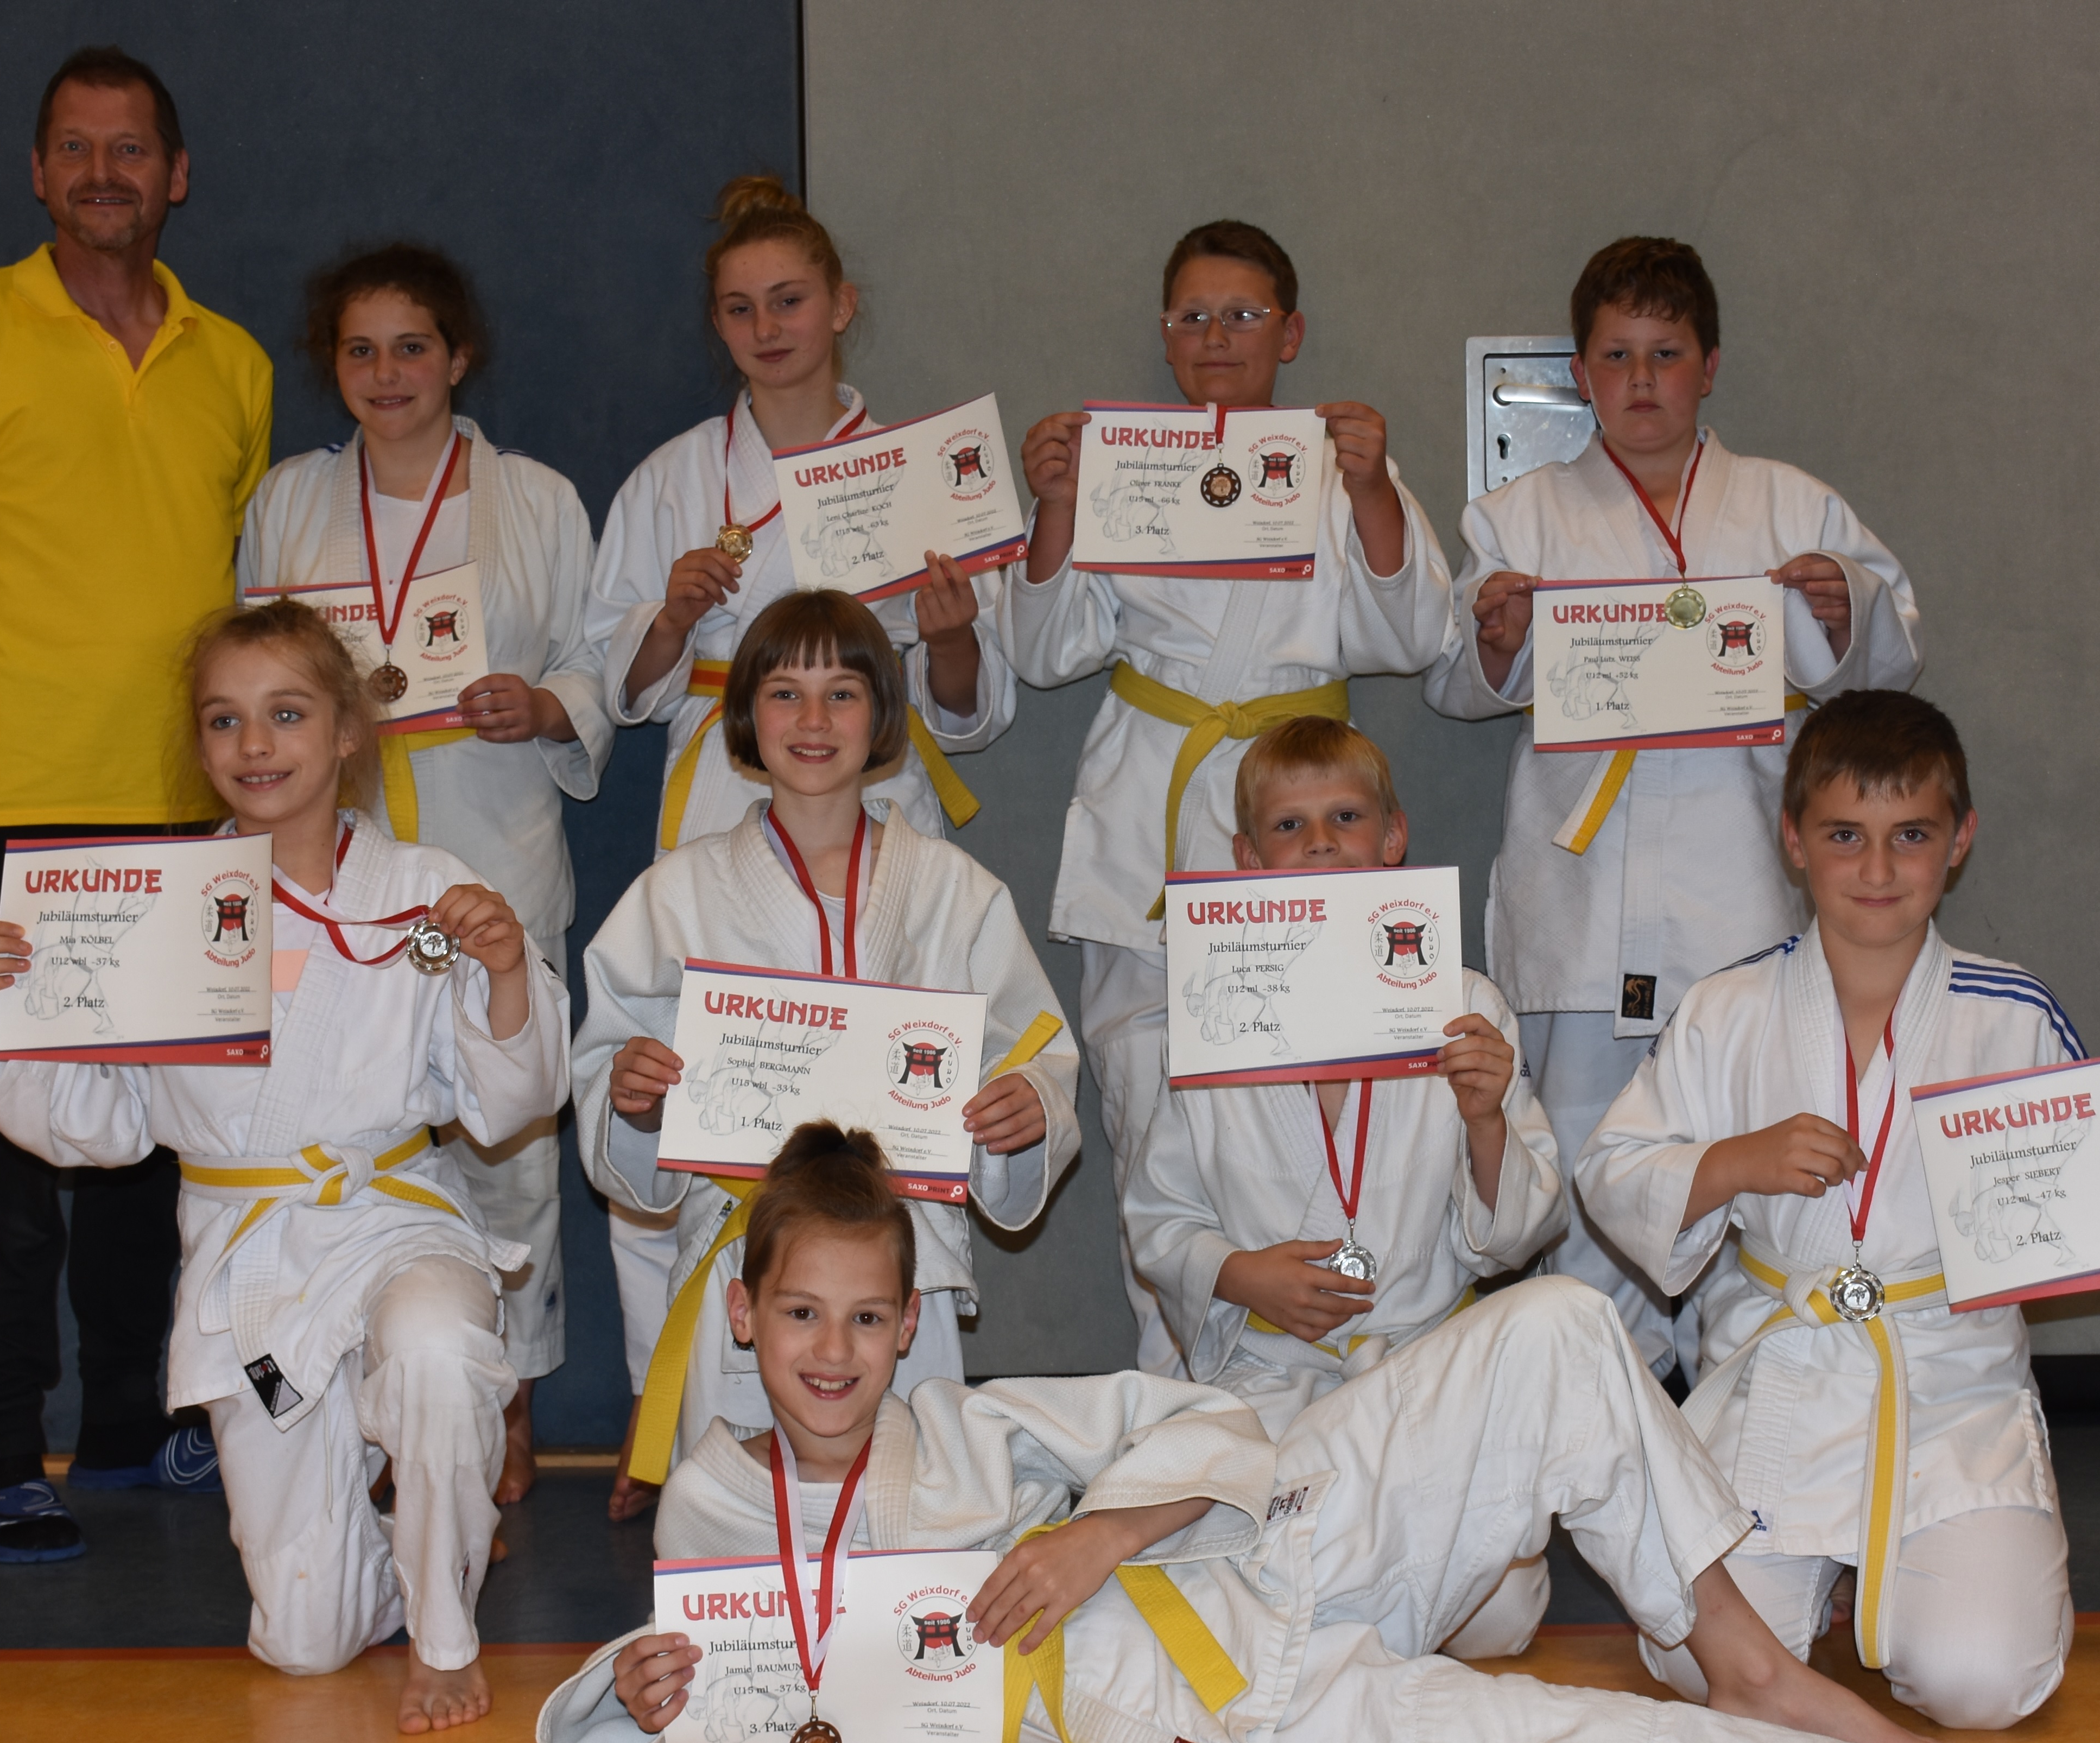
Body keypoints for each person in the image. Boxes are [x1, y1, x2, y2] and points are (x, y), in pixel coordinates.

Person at [536, 1123, 2100, 1743]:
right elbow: (673, 1679)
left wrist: (1095, 1536)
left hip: (1266, 1551)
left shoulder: (968, 1425)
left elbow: (1212, 1424)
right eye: (799, 1315)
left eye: (865, 1317)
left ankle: (1744, 1653)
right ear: (743, 1318)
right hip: (1207, 1719)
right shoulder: (715, 1496)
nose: (832, 1352)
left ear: (911, 1322)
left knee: (1554, 1324)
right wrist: (632, 1692)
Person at [1577, 692, 2100, 1730]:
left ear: (1958, 841)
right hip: (1779, 1382)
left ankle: (1938, 1562)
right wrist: (1734, 1162)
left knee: (1981, 1682)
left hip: (1948, 1384)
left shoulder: (2010, 1013)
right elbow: (1613, 1168)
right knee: (1704, 1673)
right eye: (1844, 835)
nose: (1877, 868)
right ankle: (1827, 1575)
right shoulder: (1723, 1010)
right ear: (1793, 840)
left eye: (1910, 835)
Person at [0, 600, 569, 1732]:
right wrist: (11, 1015)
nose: (255, 744)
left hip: (394, 1216)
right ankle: (401, 1554)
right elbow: (101, 1127)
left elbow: (512, 1101)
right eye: (223, 719)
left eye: (286, 714)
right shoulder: (151, 910)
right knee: (305, 1643)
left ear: (347, 731)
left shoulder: (425, 888)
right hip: (251, 1258)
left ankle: (444, 1630)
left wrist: (502, 973)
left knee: (436, 1350)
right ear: (199, 745)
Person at [0, 45, 271, 1561]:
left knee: (159, 1147)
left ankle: (128, 1428)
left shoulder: (235, 364)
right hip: (13, 821)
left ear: (177, 175)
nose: (105, 173)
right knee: (15, 1152)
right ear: (39, 174)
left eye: (131, 148)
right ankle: (0, 1456)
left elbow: (239, 606)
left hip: (191, 824)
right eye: (76, 149)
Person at [1422, 237, 1922, 1389]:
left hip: (1736, 889)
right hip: (1581, 899)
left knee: (1746, 1166)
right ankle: (1601, 1427)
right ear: (1580, 373)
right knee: (1589, 1173)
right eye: (1615, 356)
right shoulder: (1518, 515)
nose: (1641, 379)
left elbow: (1893, 654)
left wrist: (1844, 607)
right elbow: (1453, 679)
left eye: (1666, 353)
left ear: (1710, 365)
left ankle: (1748, 1414)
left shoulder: (1791, 503)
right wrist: (1499, 638)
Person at [584, 176, 1015, 1503]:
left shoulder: (921, 472)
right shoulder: (671, 480)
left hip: (880, 810)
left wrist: (950, 636)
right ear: (717, 323)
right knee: (695, 1105)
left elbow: (973, 707)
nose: (767, 327)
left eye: (789, 300)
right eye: (739, 308)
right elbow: (620, 690)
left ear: (841, 306)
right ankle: (679, 1413)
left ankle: (896, 1400)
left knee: (886, 1096)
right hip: (723, 805)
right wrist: (672, 618)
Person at [1010, 219, 1455, 1376]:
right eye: (1193, 317)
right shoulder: (1122, 467)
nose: (1217, 336)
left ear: (1289, 333)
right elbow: (1046, 652)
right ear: (1165, 335)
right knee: (1156, 1131)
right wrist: (1056, 502)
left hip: (1307, 825)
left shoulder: (1337, 466)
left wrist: (1371, 490)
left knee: (1317, 1119)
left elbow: (1417, 633)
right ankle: (1177, 1415)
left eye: (1244, 315)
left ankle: (1335, 1384)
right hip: (1149, 839)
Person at [239, 242, 606, 1506]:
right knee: (349, 1130)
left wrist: (544, 705)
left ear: (459, 356)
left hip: (490, 855)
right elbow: (252, 677)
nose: (386, 371)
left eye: (411, 346)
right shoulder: (289, 503)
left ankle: (506, 1406)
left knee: (509, 1147)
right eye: (360, 349)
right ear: (331, 365)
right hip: (331, 873)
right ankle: (369, 1407)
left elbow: (595, 664)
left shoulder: (538, 501)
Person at [574, 590, 1078, 1511]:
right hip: (746, 1264)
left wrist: (1030, 1107)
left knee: (911, 1513)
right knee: (741, 1518)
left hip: (901, 1261)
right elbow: (610, 1062)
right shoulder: (674, 894)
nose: (813, 720)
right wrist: (632, 1098)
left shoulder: (954, 891)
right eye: (785, 693)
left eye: (842, 693)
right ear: (744, 715)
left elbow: (1036, 1045)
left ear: (883, 714)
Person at [1125, 718, 1567, 1443]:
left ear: (1393, 838)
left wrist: (1486, 1120)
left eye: (1347, 817)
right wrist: (1238, 1275)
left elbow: (1520, 1235)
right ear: (1248, 859)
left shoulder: (1466, 1009)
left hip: (1432, 1356)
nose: (1321, 840)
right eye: (1288, 824)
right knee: (1192, 1496)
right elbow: (1158, 1212)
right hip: (1266, 1370)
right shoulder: (1213, 1017)